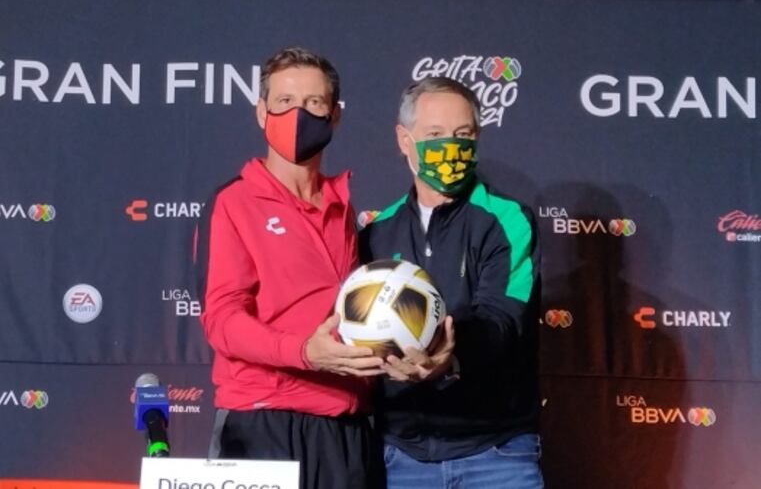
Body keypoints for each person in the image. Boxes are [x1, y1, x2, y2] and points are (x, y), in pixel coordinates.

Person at [196, 47, 385, 489]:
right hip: (261, 423)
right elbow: (222, 320)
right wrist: (303, 351)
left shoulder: (343, 208)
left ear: (335, 116)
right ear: (261, 112)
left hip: (345, 429)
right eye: (284, 102)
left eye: (314, 103)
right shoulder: (234, 202)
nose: (298, 114)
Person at [359, 77, 543, 488]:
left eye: (463, 135)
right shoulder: (377, 231)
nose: (450, 148)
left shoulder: (508, 220)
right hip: (402, 456)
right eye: (434, 135)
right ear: (404, 140)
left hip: (496, 453)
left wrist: (448, 358)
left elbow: (503, 321)